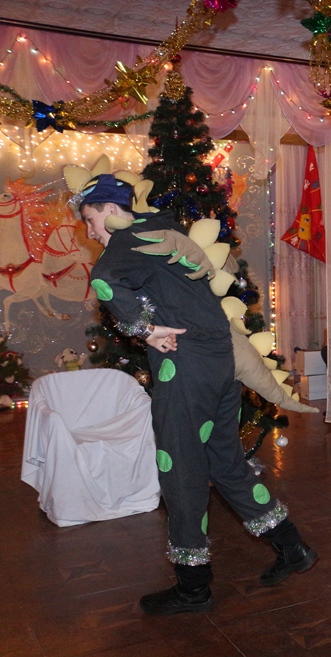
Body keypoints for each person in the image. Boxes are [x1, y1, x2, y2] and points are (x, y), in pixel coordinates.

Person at [72, 170, 317, 614]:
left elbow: (104, 280)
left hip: (185, 370)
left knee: (180, 469)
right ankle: (292, 546)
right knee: (225, 462)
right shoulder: (165, 231)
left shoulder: (127, 239)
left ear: (111, 209)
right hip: (220, 363)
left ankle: (193, 587)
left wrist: (144, 329)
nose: (90, 232)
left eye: (91, 219)